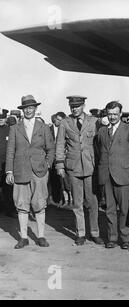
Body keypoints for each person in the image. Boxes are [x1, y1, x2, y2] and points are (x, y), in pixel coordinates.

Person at [5, 95, 55, 248]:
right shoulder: (14, 128)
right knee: (21, 204)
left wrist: (47, 164)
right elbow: (10, 151)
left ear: (35, 109)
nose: (29, 110)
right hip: (20, 171)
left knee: (40, 204)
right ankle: (24, 237)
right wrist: (9, 171)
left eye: (31, 107)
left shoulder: (44, 127)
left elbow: (51, 149)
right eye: (26, 108)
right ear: (22, 109)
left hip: (39, 172)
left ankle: (41, 236)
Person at [55, 95, 103, 246]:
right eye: (72, 106)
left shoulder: (94, 121)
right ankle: (80, 233)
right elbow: (60, 144)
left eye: (77, 106)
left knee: (92, 202)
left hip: (90, 166)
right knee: (77, 203)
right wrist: (60, 165)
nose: (74, 109)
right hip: (73, 167)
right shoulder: (65, 122)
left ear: (84, 105)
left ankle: (95, 232)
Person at [96, 101, 129, 249]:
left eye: (115, 114)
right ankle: (112, 237)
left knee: (124, 209)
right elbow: (98, 151)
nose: (112, 117)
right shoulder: (101, 131)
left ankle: (125, 238)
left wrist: (128, 169)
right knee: (110, 209)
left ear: (120, 114)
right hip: (106, 175)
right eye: (110, 114)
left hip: (123, 174)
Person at [0, 109, 14, 216]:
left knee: (8, 189)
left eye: (3, 117)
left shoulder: (11, 130)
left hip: (7, 164)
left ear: (6, 118)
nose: (1, 119)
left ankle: (10, 210)